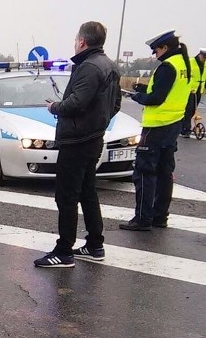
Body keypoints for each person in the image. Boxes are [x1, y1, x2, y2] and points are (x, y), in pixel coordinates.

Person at [33, 21, 121, 268]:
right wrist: (97, 124)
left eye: (75, 39)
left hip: (77, 141)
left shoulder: (89, 67)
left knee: (67, 197)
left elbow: (76, 103)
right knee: (87, 193)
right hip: (93, 140)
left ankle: (64, 252)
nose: (75, 42)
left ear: (82, 41)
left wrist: (55, 107)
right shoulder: (110, 67)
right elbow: (115, 106)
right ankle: (95, 245)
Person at [120, 30, 191, 230]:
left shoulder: (167, 67)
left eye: (156, 50)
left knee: (144, 172)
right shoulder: (183, 65)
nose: (155, 54)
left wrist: (137, 96)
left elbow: (156, 99)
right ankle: (160, 216)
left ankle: (143, 219)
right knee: (164, 172)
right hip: (173, 125)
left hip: (156, 127)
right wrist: (143, 89)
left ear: (165, 48)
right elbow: (168, 92)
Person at [180, 47, 205, 137]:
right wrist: (187, 87)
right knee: (188, 110)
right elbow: (185, 77)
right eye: (204, 57)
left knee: (193, 110)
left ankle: (182, 126)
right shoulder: (190, 62)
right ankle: (185, 129)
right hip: (190, 91)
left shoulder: (205, 64)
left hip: (199, 90)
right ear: (200, 55)